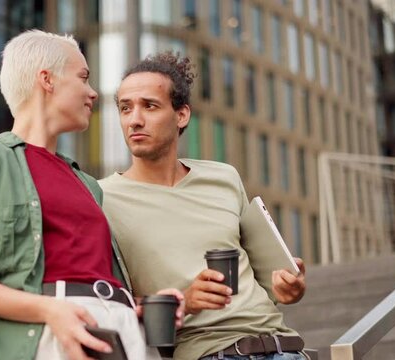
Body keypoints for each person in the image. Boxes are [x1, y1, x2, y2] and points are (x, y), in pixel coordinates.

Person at [0, 30, 182, 360]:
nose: (93, 93)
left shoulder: (88, 184)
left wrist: (140, 306)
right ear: (47, 79)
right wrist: (51, 311)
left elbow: (92, 271)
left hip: (123, 335)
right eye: (83, 77)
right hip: (49, 332)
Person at [99, 52, 308, 360]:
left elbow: (268, 280)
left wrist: (290, 286)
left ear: (182, 115)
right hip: (208, 353)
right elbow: (107, 302)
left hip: (287, 348)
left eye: (150, 106)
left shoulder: (223, 177)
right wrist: (185, 300)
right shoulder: (102, 198)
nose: (134, 120)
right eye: (125, 108)